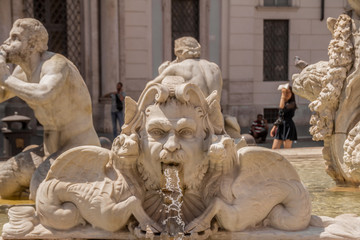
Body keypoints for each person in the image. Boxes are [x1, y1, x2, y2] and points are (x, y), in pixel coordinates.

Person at [0, 18, 100, 198]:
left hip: (78, 148)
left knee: (42, 192)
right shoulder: (22, 72)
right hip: (48, 151)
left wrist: (6, 79)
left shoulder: (55, 64)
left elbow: (43, 93)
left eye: (15, 37)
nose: (6, 42)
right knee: (3, 184)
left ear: (32, 45)